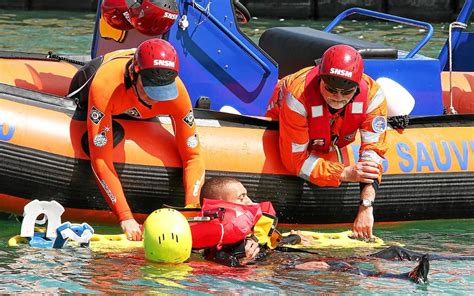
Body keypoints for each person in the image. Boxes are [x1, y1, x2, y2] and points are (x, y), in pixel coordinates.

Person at [69, 38, 205, 241]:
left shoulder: (177, 93)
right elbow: (101, 160)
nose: (156, 97)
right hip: (97, 86)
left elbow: (193, 155)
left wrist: (192, 210)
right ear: (134, 74)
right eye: (151, 88)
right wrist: (125, 217)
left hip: (133, 106)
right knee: (99, 142)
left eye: (163, 90)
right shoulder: (105, 85)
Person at [196, 177, 432, 284]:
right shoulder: (218, 241)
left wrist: (295, 237)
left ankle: (457, 257)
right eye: (242, 197)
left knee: (391, 251)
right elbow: (223, 262)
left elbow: (271, 240)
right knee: (338, 266)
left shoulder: (248, 227)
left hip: (283, 259)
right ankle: (405, 278)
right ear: (223, 205)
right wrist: (243, 260)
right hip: (281, 271)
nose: (250, 201)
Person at [266, 44, 388, 239]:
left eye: (346, 92)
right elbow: (294, 161)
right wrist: (344, 173)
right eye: (330, 89)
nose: (337, 97)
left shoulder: (373, 96)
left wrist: (366, 207)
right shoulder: (297, 96)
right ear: (320, 80)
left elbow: (373, 154)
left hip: (335, 136)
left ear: (357, 87)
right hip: (289, 124)